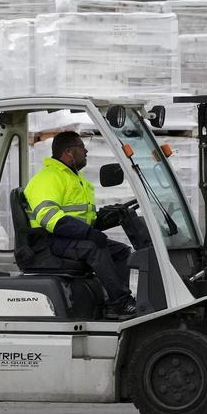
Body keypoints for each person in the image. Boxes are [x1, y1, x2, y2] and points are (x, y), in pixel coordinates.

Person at [24, 131, 137, 320]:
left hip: (68, 236)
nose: (85, 151)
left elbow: (81, 216)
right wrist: (87, 233)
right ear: (69, 152)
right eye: (81, 147)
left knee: (122, 251)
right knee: (95, 247)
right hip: (49, 240)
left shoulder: (73, 177)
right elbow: (48, 216)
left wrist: (106, 218)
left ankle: (113, 302)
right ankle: (122, 302)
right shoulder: (49, 178)